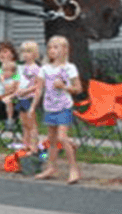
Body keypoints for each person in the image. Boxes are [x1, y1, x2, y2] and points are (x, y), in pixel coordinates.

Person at [34, 35, 82, 184]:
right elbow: (39, 89)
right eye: (50, 47)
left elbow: (78, 88)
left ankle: (73, 169)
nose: (52, 50)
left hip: (64, 106)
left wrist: (64, 87)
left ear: (65, 50)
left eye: (56, 47)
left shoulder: (69, 68)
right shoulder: (44, 69)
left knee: (62, 137)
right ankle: (51, 167)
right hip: (49, 107)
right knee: (51, 139)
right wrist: (33, 106)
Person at [14, 41, 43, 153]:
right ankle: (25, 144)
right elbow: (18, 81)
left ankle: (34, 145)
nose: (25, 54)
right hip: (21, 98)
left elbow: (38, 85)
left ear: (35, 53)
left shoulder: (37, 69)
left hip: (30, 97)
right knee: (24, 123)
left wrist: (26, 91)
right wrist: (17, 91)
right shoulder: (21, 68)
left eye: (28, 52)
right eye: (24, 52)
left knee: (32, 124)